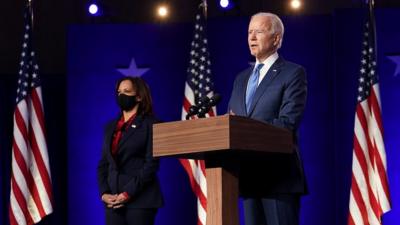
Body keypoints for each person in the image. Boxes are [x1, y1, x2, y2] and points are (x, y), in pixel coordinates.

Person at [228, 12, 308, 225]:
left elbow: (287, 123)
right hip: (248, 178)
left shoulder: (292, 73)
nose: (252, 37)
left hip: (278, 177)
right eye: (249, 32)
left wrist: (245, 128)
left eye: (259, 32)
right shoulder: (241, 79)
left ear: (276, 39)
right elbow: (231, 123)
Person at [97, 77, 163, 225]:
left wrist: (128, 193)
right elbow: (103, 164)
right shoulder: (110, 127)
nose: (121, 95)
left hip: (141, 201)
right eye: (119, 92)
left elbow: (151, 164)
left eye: (127, 91)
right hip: (113, 201)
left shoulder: (151, 124)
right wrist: (104, 193)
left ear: (139, 96)